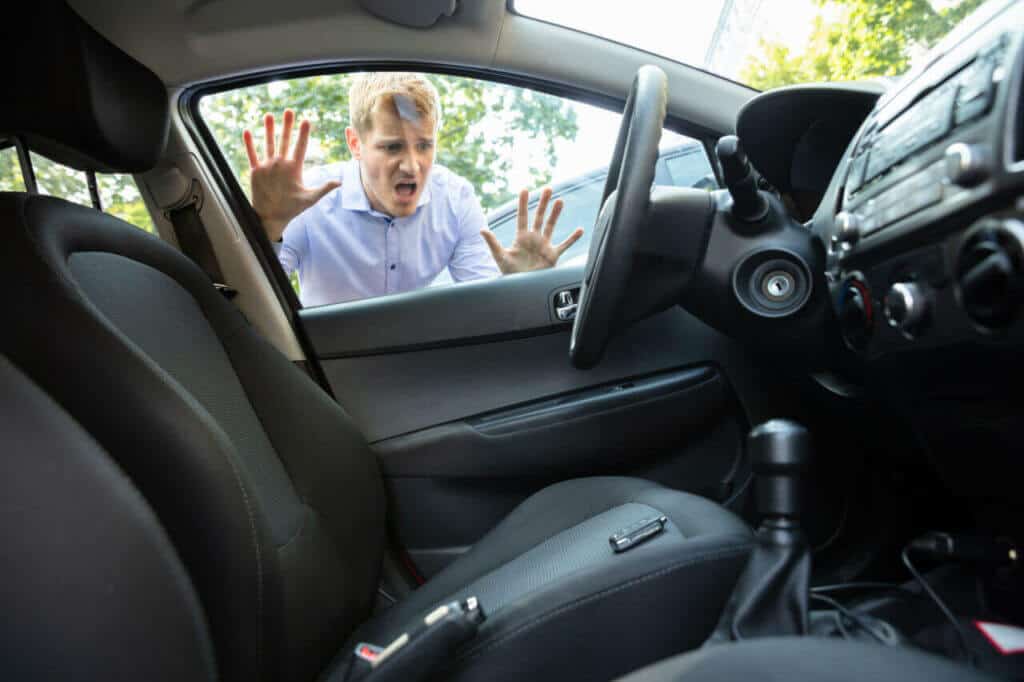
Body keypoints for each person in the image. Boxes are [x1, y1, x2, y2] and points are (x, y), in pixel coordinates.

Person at [242, 72, 584, 306]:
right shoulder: (308, 200)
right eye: (392, 147)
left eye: (424, 146)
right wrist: (269, 227)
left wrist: (520, 287)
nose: (411, 165)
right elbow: (254, 304)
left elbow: (485, 302)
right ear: (355, 144)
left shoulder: (455, 199)